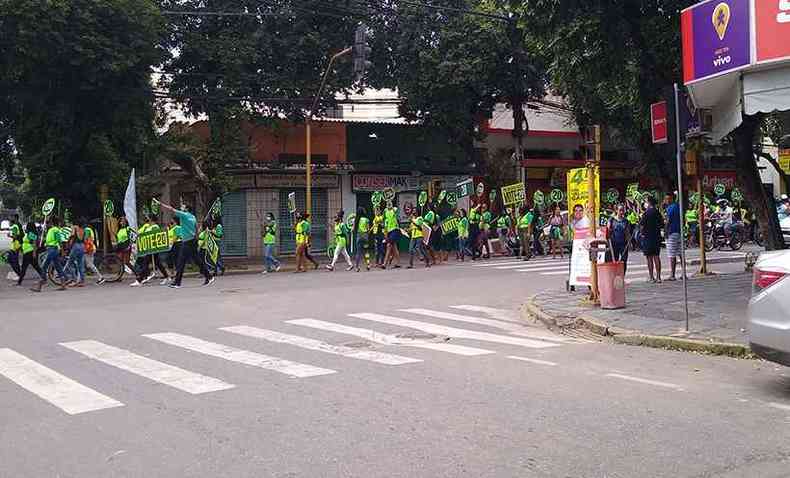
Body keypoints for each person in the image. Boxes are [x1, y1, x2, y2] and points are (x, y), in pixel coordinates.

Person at [157, 203, 213, 288]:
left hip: (187, 242)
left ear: (186, 209)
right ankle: (209, 276)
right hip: (193, 240)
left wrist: (160, 204)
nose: (182, 207)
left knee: (181, 262)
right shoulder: (193, 217)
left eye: (183, 206)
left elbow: (171, 209)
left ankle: (177, 283)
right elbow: (196, 229)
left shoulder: (184, 215)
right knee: (197, 260)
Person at [131, 217, 170, 287]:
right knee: (157, 263)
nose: (148, 220)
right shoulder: (149, 226)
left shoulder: (155, 227)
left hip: (152, 248)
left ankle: (139, 280)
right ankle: (167, 277)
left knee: (145, 263)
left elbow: (151, 235)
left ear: (152, 220)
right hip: (150, 248)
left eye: (149, 219)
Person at [31, 217, 67, 292]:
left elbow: (59, 241)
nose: (47, 224)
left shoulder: (55, 230)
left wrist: (62, 251)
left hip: (52, 250)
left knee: (44, 266)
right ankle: (63, 284)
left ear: (52, 222)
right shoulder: (51, 230)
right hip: (51, 249)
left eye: (49, 222)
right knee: (58, 266)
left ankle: (40, 284)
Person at [640, 195, 665, 283]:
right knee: (656, 256)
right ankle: (658, 277)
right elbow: (662, 224)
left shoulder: (646, 213)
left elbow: (641, 225)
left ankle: (651, 277)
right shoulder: (657, 212)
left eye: (646, 201)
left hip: (647, 237)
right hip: (656, 237)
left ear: (649, 202)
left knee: (649, 258)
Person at [607, 204, 632, 274]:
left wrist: (629, 243)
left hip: (623, 244)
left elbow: (627, 233)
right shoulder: (611, 220)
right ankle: (615, 275)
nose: (622, 212)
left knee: (624, 261)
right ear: (616, 210)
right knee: (614, 260)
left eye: (623, 210)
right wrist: (608, 243)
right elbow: (607, 231)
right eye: (620, 210)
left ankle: (622, 276)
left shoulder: (626, 221)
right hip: (614, 244)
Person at [16, 222, 43, 287]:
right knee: (36, 267)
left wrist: (34, 253)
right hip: (27, 252)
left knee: (24, 267)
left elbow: (34, 243)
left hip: (29, 252)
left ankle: (19, 282)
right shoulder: (28, 233)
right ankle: (44, 278)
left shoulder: (30, 233)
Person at [64, 220, 86, 287]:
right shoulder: (83, 230)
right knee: (80, 265)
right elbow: (84, 239)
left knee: (69, 264)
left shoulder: (75, 227)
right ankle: (82, 281)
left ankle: (74, 280)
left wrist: (68, 241)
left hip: (76, 246)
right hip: (82, 246)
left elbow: (72, 235)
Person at [82, 220, 105, 285]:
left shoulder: (87, 230)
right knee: (87, 264)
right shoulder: (90, 229)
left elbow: (85, 239)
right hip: (91, 248)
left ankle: (100, 277)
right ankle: (81, 279)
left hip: (89, 248)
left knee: (90, 265)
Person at [352, 207, 371, 272]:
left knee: (358, 252)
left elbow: (353, 229)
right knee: (366, 251)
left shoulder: (356, 219)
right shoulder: (366, 220)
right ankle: (368, 265)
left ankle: (357, 267)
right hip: (365, 237)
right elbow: (368, 229)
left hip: (359, 236)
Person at [383, 203, 401, 269]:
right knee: (394, 247)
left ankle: (385, 263)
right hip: (389, 231)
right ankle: (398, 262)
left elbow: (396, 210)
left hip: (395, 230)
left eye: (390, 203)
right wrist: (385, 234)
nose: (388, 204)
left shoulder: (394, 209)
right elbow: (385, 225)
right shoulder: (385, 212)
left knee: (389, 245)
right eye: (387, 203)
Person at [7, 214, 23, 279]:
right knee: (13, 259)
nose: (8, 224)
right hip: (16, 245)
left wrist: (10, 236)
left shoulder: (15, 226)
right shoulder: (16, 225)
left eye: (9, 222)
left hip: (16, 245)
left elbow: (16, 236)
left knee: (13, 260)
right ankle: (19, 273)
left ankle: (19, 273)